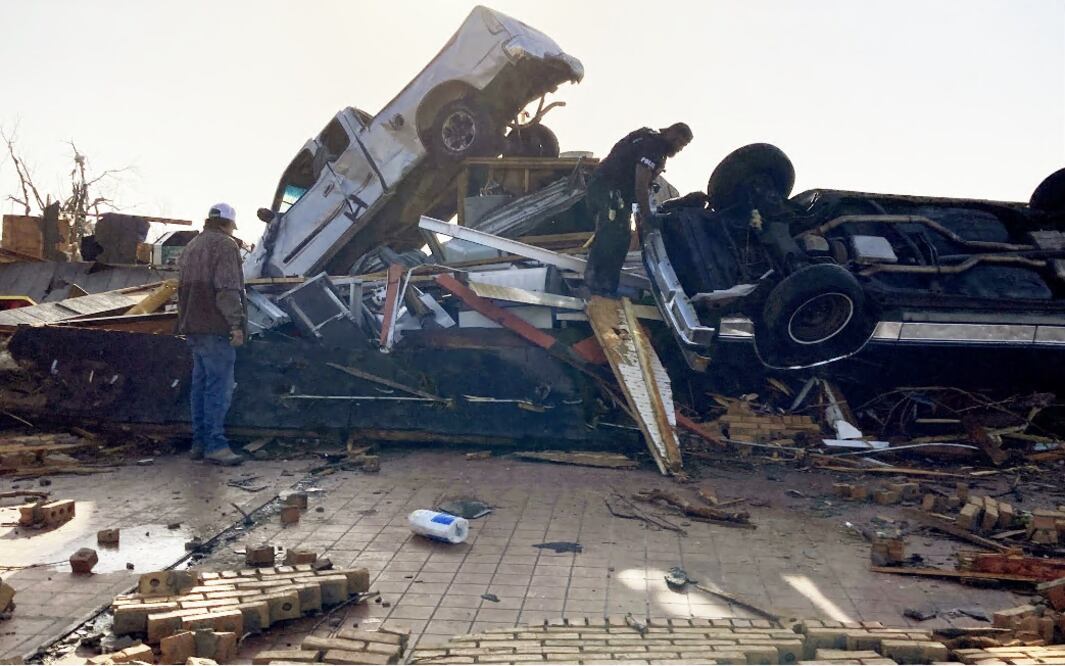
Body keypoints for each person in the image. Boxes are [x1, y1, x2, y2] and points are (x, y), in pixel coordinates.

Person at [584, 123, 695, 296]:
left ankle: (604, 285)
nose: (680, 148)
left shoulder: (649, 140)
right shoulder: (654, 146)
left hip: (610, 189)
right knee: (613, 233)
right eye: (680, 142)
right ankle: (595, 285)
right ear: (672, 134)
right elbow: (641, 183)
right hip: (609, 189)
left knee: (619, 235)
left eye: (684, 145)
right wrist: (647, 215)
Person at [177, 203, 247, 466]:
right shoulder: (226, 246)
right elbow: (227, 289)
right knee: (219, 389)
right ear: (228, 224)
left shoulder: (192, 246)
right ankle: (216, 445)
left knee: (200, 387)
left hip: (193, 327)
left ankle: (199, 443)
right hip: (215, 328)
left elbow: (181, 289)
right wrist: (236, 325)